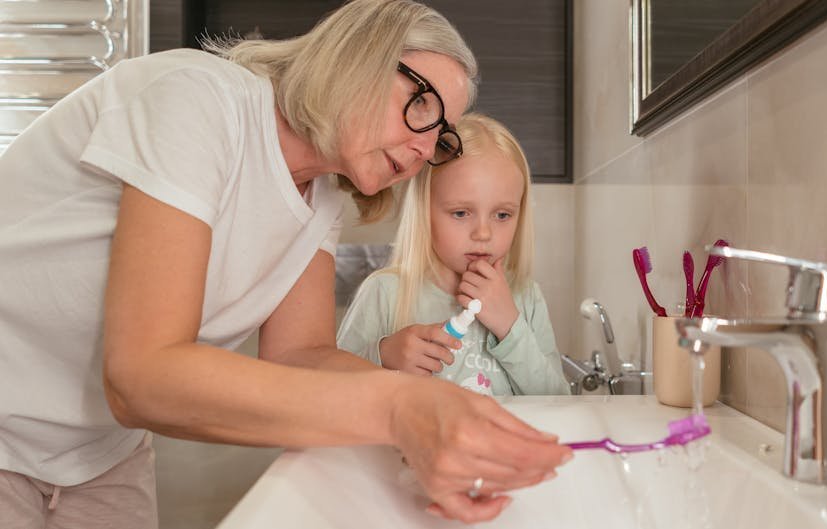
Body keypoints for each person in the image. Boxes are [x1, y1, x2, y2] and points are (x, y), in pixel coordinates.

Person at [0, 1, 571, 527]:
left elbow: (302, 356)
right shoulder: (197, 100)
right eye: (421, 104)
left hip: (100, 454)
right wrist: (402, 408)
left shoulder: (320, 200)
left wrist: (445, 412)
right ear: (356, 59)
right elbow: (141, 377)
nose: (427, 149)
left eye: (442, 135)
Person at [338, 113, 570, 396]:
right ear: (424, 211)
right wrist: (383, 356)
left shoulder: (525, 297)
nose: (483, 233)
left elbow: (558, 400)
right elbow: (333, 390)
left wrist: (510, 327)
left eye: (502, 214)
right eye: (461, 213)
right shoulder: (385, 292)